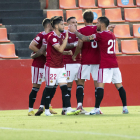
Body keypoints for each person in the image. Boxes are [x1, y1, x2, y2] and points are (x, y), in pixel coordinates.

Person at [69, 16, 129, 115]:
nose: (95, 24)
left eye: (97, 23)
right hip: (114, 64)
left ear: (101, 24)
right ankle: (125, 107)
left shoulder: (100, 35)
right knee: (119, 86)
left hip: (105, 64)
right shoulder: (112, 34)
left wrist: (75, 31)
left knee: (100, 86)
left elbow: (85, 38)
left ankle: (96, 108)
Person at [31, 16, 80, 116]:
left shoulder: (60, 36)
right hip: (51, 67)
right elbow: (60, 49)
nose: (63, 26)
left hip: (60, 66)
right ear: (56, 26)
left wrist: (66, 53)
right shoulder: (51, 36)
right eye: (62, 24)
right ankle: (47, 110)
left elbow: (59, 51)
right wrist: (66, 39)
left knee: (64, 88)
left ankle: (68, 108)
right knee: (49, 88)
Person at [71, 10, 102, 114]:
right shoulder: (98, 30)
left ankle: (79, 105)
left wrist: (75, 55)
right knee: (97, 84)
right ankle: (97, 108)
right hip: (97, 61)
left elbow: (79, 45)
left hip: (86, 61)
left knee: (80, 82)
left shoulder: (81, 31)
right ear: (93, 19)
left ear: (83, 19)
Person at [28, 18, 57, 116]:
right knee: (36, 87)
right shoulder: (41, 35)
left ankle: (47, 106)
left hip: (49, 65)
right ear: (49, 25)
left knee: (50, 86)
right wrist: (42, 53)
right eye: (52, 25)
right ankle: (30, 110)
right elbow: (31, 46)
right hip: (39, 65)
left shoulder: (52, 36)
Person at [61, 17, 87, 115]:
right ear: (67, 24)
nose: (75, 24)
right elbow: (65, 46)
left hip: (79, 62)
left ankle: (80, 107)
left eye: (76, 22)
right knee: (68, 85)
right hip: (68, 63)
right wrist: (77, 43)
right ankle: (65, 108)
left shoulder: (79, 33)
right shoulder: (64, 34)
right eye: (72, 22)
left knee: (80, 84)